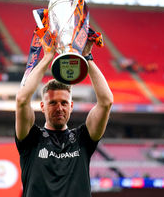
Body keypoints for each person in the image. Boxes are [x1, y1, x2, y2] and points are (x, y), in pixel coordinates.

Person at [15, 39, 113, 197]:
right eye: (52, 103)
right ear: (42, 106)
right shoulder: (31, 138)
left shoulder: (83, 139)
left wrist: (88, 58)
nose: (59, 108)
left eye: (64, 103)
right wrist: (47, 57)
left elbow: (106, 102)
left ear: (71, 106)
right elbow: (21, 99)